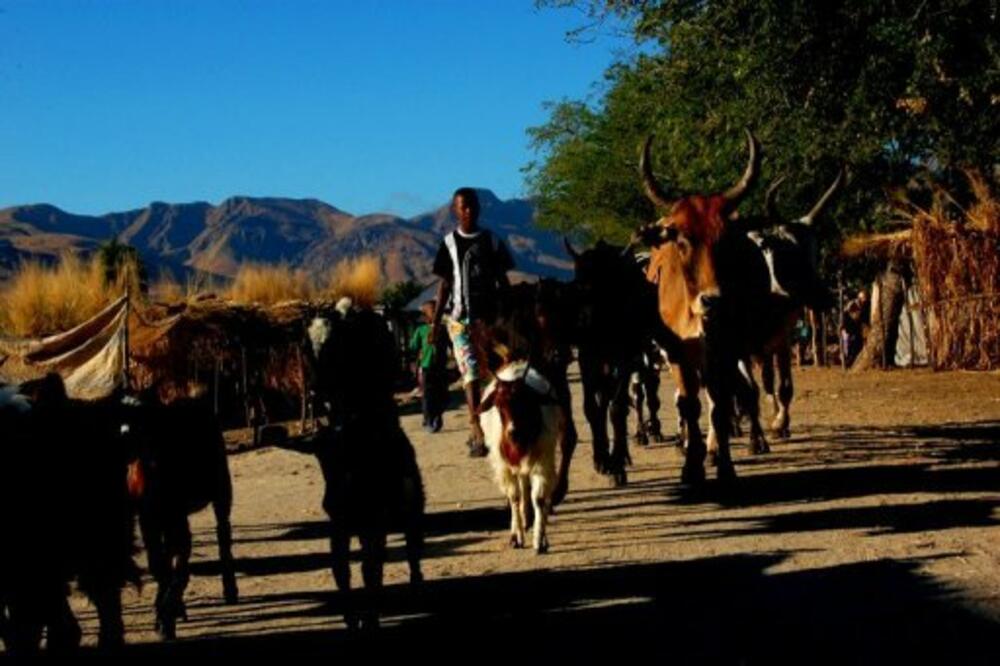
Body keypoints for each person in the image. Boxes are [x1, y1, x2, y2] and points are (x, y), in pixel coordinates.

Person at [429, 187, 514, 457]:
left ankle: (503, 422)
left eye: (472, 206)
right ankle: (475, 425)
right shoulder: (449, 244)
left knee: (501, 370)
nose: (468, 211)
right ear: (455, 210)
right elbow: (444, 285)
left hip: (490, 320)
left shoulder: (491, 241)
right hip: (460, 320)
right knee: (471, 372)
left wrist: (509, 314)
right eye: (463, 207)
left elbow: (503, 281)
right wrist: (434, 324)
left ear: (479, 208)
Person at [409, 299, 447, 433]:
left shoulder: (444, 329)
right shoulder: (421, 330)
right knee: (427, 395)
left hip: (441, 367)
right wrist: (414, 360)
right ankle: (428, 420)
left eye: (438, 310)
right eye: (433, 311)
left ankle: (438, 416)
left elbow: (452, 345)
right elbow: (413, 347)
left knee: (441, 394)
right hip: (426, 367)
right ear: (426, 315)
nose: (436, 313)